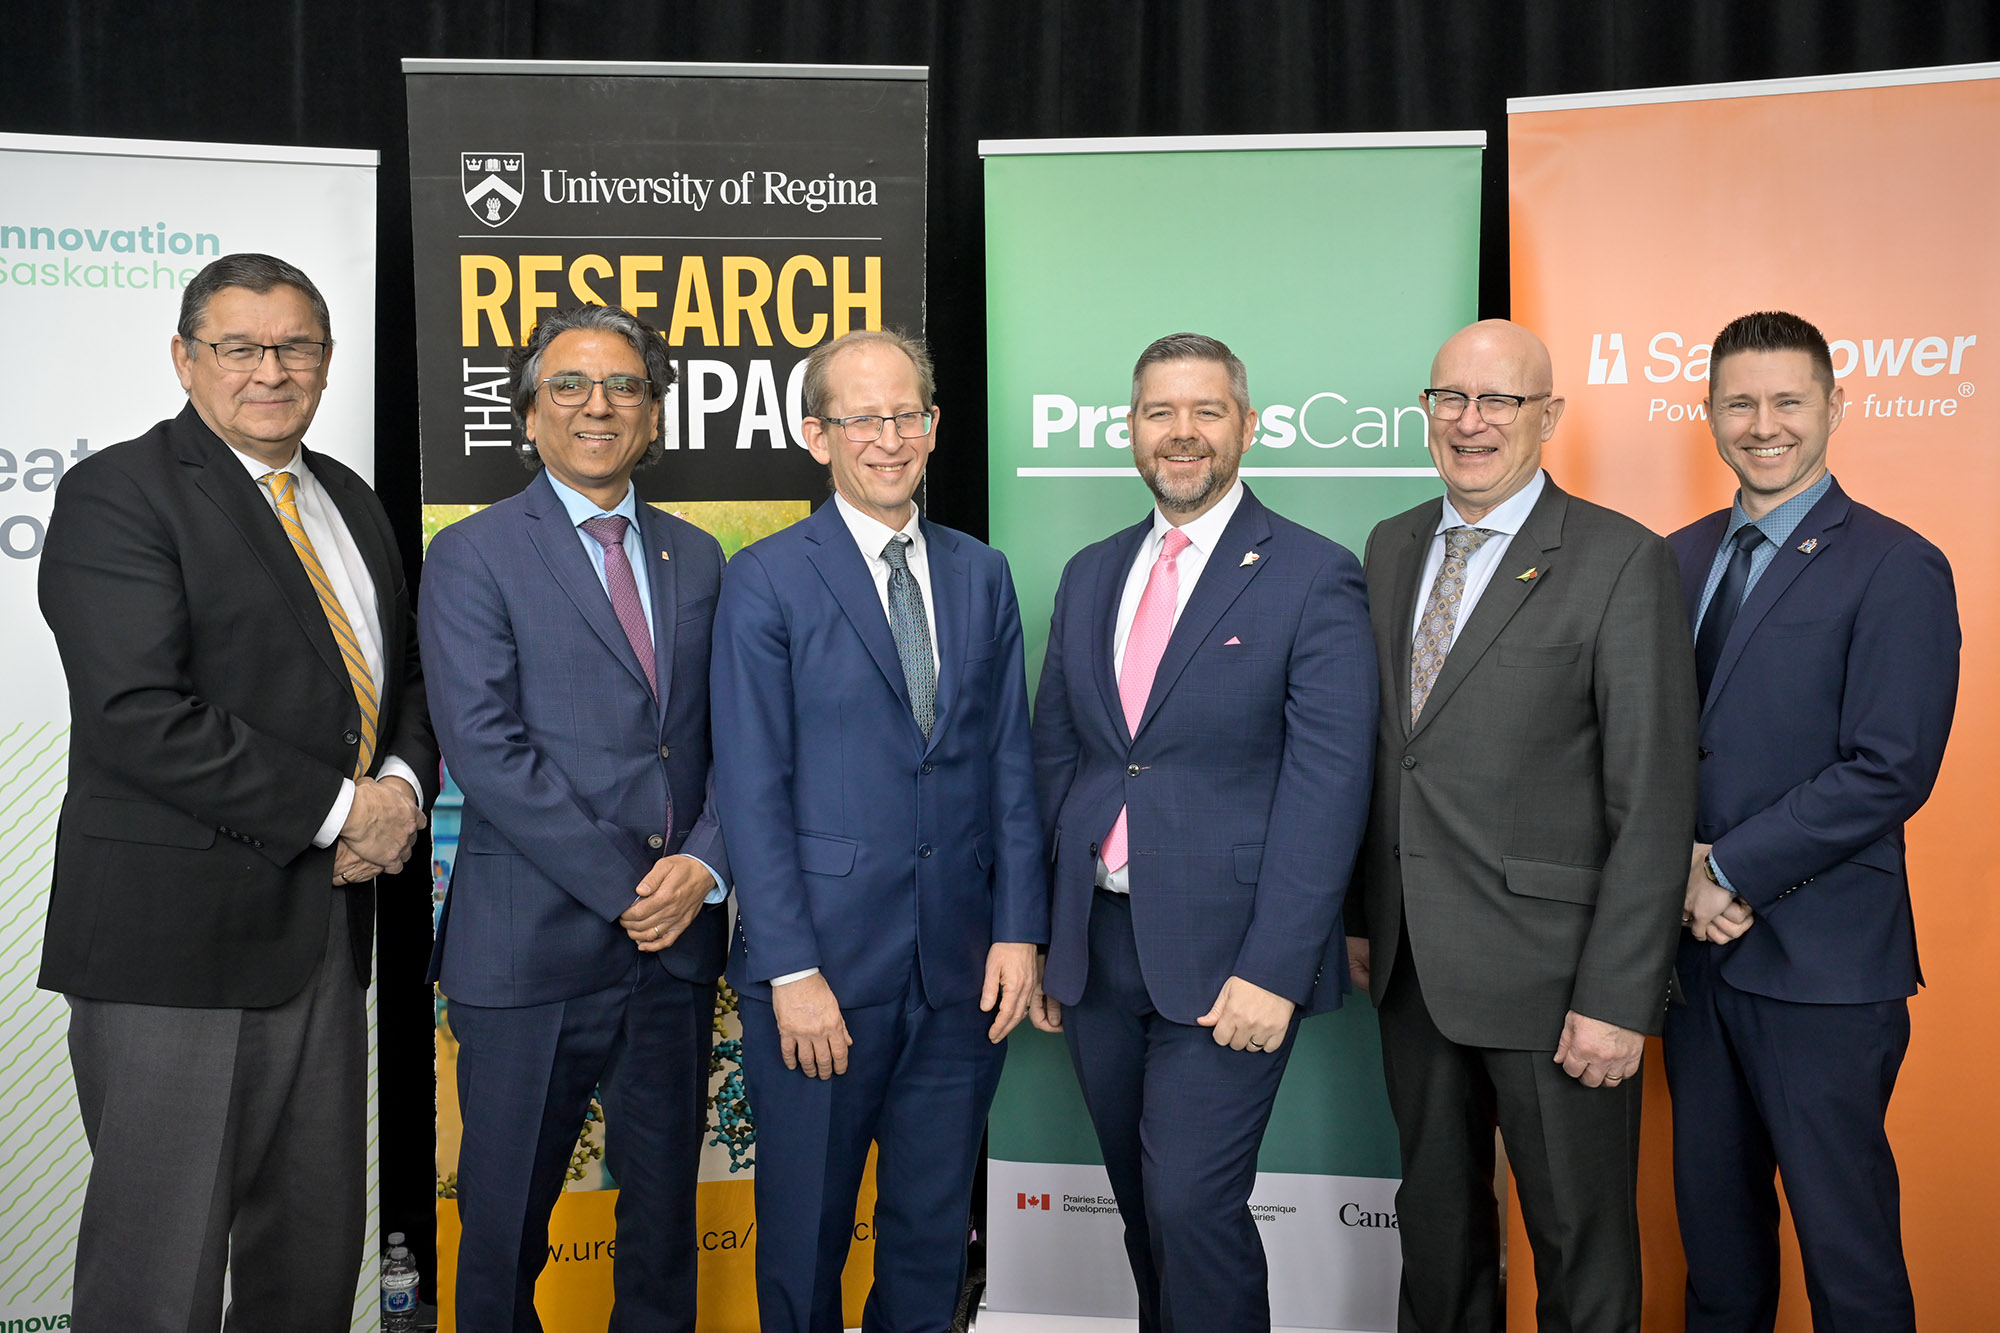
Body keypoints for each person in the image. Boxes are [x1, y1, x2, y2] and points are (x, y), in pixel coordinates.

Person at [37, 252, 435, 1332]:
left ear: (325, 359)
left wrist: (397, 785)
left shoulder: (346, 494)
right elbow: (138, 714)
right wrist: (346, 811)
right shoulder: (119, 493)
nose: (271, 370)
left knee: (307, 1263)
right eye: (241, 347)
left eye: (295, 346)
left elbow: (401, 676)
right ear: (184, 357)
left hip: (323, 938)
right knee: (156, 1273)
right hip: (174, 951)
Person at [1344, 319, 1698, 1332]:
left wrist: (1617, 998)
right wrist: (1362, 916)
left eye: (1497, 400)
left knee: (1577, 1247)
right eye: (1449, 398)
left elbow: (1652, 795)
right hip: (1411, 967)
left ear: (1546, 415)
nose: (1469, 421)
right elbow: (1388, 756)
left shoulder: (1617, 559)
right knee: (1436, 1237)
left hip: (1557, 986)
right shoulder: (1391, 545)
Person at [1029, 332, 1377, 1331]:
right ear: (1131, 430)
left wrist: (1274, 966)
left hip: (1230, 962)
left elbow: (1328, 785)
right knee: (1146, 1214)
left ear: (1246, 427)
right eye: (1158, 413)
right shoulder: (1092, 573)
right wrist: (1053, 937)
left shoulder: (1311, 575)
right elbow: (1059, 759)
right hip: (1097, 949)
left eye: (1204, 411)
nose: (1181, 434)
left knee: (1191, 1204)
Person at [710, 328, 1046, 1333]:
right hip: (821, 980)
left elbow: (1009, 764)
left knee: (929, 1238)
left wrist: (1018, 929)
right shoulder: (765, 579)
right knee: (804, 1242)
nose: (890, 438)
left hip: (960, 976)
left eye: (908, 415)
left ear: (934, 426)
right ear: (817, 435)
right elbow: (751, 789)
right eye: (864, 418)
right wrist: (788, 968)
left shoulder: (980, 574)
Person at [418, 302, 731, 1332]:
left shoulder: (699, 557)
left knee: (659, 1232)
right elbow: (486, 751)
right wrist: (627, 890)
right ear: (528, 412)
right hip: (529, 953)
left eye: (624, 387)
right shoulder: (474, 557)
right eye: (569, 386)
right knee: (505, 1229)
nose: (598, 407)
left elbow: (740, 740)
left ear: (652, 416)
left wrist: (702, 866)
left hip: (675, 950)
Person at [1664, 311, 1958, 1332]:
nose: (1762, 424)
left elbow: (1889, 767)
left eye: (1786, 400)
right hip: (1693, 968)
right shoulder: (1674, 559)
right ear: (1706, 412)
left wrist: (1728, 868)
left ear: (1833, 407)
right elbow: (1643, 749)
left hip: (1824, 970)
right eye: (1738, 402)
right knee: (1717, 1254)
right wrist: (1676, 874)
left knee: (1848, 1259)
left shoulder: (1893, 564)